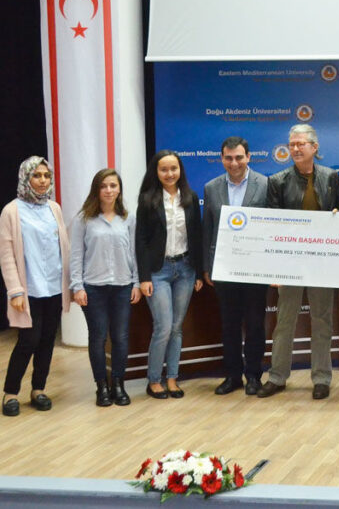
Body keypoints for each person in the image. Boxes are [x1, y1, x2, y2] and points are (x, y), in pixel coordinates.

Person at [258, 124, 339, 401]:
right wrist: (275, 267)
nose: (295, 148)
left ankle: (321, 378)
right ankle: (277, 376)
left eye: (300, 144)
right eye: (292, 144)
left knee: (322, 321)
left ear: (314, 147)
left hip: (322, 261)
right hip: (290, 262)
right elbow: (272, 226)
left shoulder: (331, 177)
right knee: (284, 321)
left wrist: (336, 216)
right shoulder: (278, 180)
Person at [0, 157, 71, 417]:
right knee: (28, 340)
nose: (42, 181)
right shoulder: (11, 211)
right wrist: (15, 290)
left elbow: (63, 247)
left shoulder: (54, 208)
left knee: (47, 340)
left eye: (46, 176)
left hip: (54, 286)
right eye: (36, 175)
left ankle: (38, 389)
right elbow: (7, 254)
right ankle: (10, 393)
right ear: (25, 178)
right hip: (28, 289)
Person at [202, 136, 269, 396]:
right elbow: (207, 229)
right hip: (224, 267)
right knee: (229, 324)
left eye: (239, 157)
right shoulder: (211, 188)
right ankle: (232, 376)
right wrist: (207, 267)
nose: (234, 163)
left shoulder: (265, 184)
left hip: (255, 266)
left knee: (255, 324)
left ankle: (253, 375)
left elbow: (273, 226)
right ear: (222, 159)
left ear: (248, 157)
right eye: (228, 158)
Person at [70, 168, 142, 407]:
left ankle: (118, 384)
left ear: (119, 189)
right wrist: (77, 286)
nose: (109, 190)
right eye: (103, 186)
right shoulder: (84, 219)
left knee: (120, 337)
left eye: (113, 185)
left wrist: (136, 283)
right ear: (96, 190)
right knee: (98, 337)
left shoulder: (128, 218)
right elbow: (76, 255)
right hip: (93, 288)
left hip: (122, 286)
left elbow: (135, 253)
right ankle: (101, 386)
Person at [136, 150, 203, 400]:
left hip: (185, 269)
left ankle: (172, 378)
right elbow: (141, 241)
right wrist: (144, 277)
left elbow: (196, 235)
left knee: (176, 327)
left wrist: (198, 271)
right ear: (156, 172)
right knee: (163, 327)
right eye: (164, 169)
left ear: (180, 170)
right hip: (158, 271)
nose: (169, 173)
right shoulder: (147, 199)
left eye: (173, 168)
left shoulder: (190, 197)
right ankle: (154, 380)